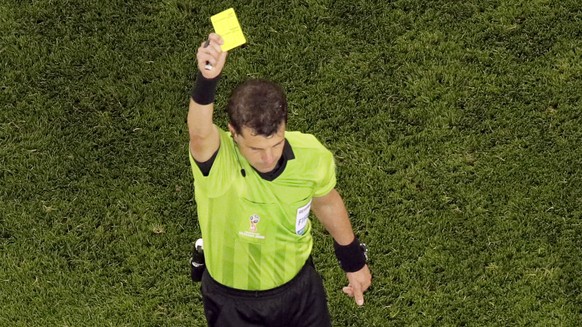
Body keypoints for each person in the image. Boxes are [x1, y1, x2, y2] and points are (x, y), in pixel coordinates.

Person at [187, 33, 372, 327]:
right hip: (235, 304)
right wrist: (207, 79)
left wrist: (352, 259)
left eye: (275, 144)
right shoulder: (218, 160)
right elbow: (198, 132)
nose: (268, 157)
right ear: (232, 132)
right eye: (256, 149)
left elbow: (325, 201)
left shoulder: (311, 154)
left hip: (300, 290)